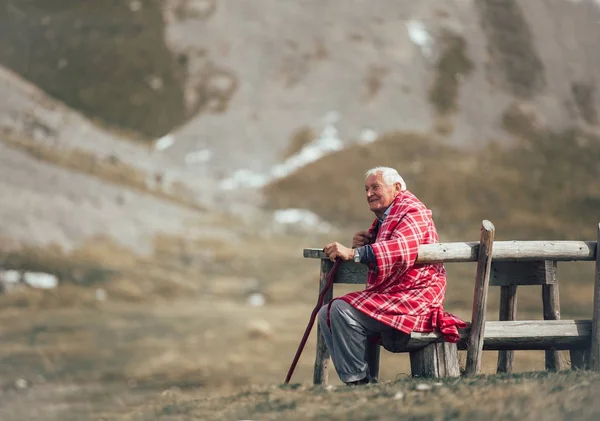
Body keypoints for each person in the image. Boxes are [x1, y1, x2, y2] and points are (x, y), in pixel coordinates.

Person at [317, 166, 466, 385]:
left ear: (396, 188)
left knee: (339, 310)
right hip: (397, 296)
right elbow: (392, 246)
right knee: (327, 312)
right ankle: (357, 380)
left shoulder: (413, 211)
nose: (369, 194)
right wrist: (369, 242)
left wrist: (355, 253)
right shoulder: (387, 217)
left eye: (375, 187)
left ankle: (359, 382)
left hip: (416, 299)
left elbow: (402, 248)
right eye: (366, 189)